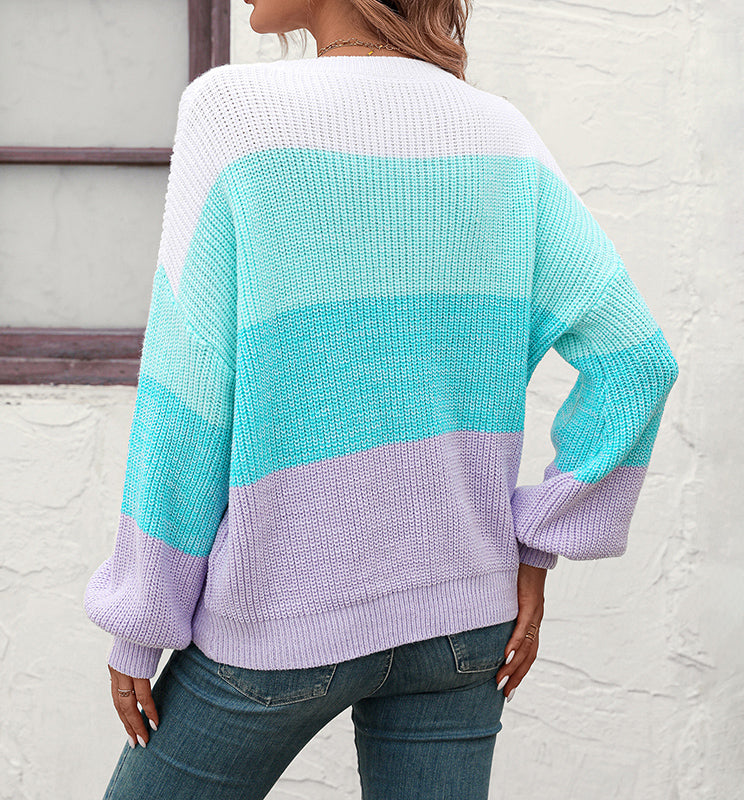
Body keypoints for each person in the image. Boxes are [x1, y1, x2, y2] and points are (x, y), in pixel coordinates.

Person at [83, 0, 679, 798]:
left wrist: (142, 617)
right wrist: (534, 549)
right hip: (464, 625)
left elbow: (186, 394)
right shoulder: (502, 134)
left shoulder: (234, 113)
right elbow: (636, 361)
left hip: (280, 615)